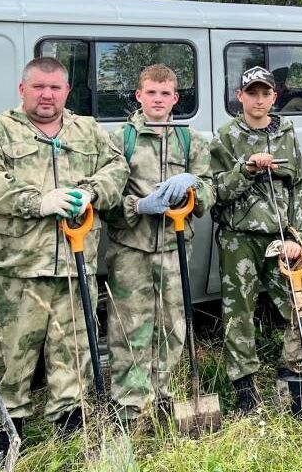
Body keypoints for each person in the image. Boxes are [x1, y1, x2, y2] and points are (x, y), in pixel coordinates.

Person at [0, 56, 129, 465]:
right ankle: (9, 437)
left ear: (66, 92)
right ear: (22, 90)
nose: (46, 95)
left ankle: (69, 434)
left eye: (55, 88)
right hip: (17, 270)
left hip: (75, 266)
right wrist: (38, 202)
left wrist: (91, 191)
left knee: (73, 355)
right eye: (38, 87)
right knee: (11, 360)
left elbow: (117, 167)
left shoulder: (87, 131)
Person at [209, 65, 302, 414]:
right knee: (238, 313)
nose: (258, 100)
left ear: (274, 97)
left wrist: (298, 238)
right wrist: (246, 169)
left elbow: (298, 187)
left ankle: (289, 373)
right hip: (239, 239)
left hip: (280, 239)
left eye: (265, 93)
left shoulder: (287, 132)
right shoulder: (226, 136)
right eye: (252, 93)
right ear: (240, 96)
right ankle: (245, 390)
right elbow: (217, 191)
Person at [105, 64, 214, 431]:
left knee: (173, 327)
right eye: (151, 92)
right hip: (130, 251)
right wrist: (137, 206)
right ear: (139, 95)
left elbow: (210, 191)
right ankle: (132, 411)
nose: (158, 100)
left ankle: (165, 400)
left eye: (165, 94)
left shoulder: (190, 141)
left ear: (175, 98)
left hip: (174, 249)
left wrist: (193, 185)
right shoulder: (120, 140)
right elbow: (105, 199)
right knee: (129, 329)